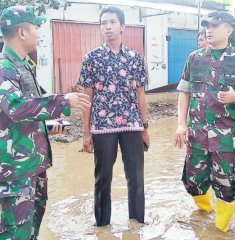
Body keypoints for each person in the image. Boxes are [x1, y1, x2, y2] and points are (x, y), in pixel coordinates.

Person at [0, 5, 91, 240]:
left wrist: (78, 129)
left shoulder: (24, 66)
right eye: (35, 28)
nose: (38, 34)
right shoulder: (4, 68)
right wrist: (63, 101)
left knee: (31, 230)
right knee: (15, 233)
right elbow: (17, 108)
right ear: (22, 32)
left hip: (33, 167)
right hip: (14, 172)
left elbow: (33, 116)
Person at [174, 12, 235, 232]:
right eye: (207, 26)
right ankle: (205, 211)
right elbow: (184, 92)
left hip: (226, 137)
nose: (209, 30)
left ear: (229, 30)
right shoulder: (194, 58)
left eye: (215, 26)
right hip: (197, 134)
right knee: (192, 182)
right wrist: (181, 124)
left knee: (226, 185)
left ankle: (219, 231)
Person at [78, 6, 149, 227]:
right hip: (102, 126)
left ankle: (137, 224)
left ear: (122, 27)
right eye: (103, 23)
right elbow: (86, 97)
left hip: (132, 125)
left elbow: (140, 95)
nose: (107, 27)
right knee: (103, 178)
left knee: (136, 178)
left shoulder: (135, 58)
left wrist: (145, 127)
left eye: (112, 22)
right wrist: (86, 132)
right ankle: (101, 225)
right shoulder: (92, 58)